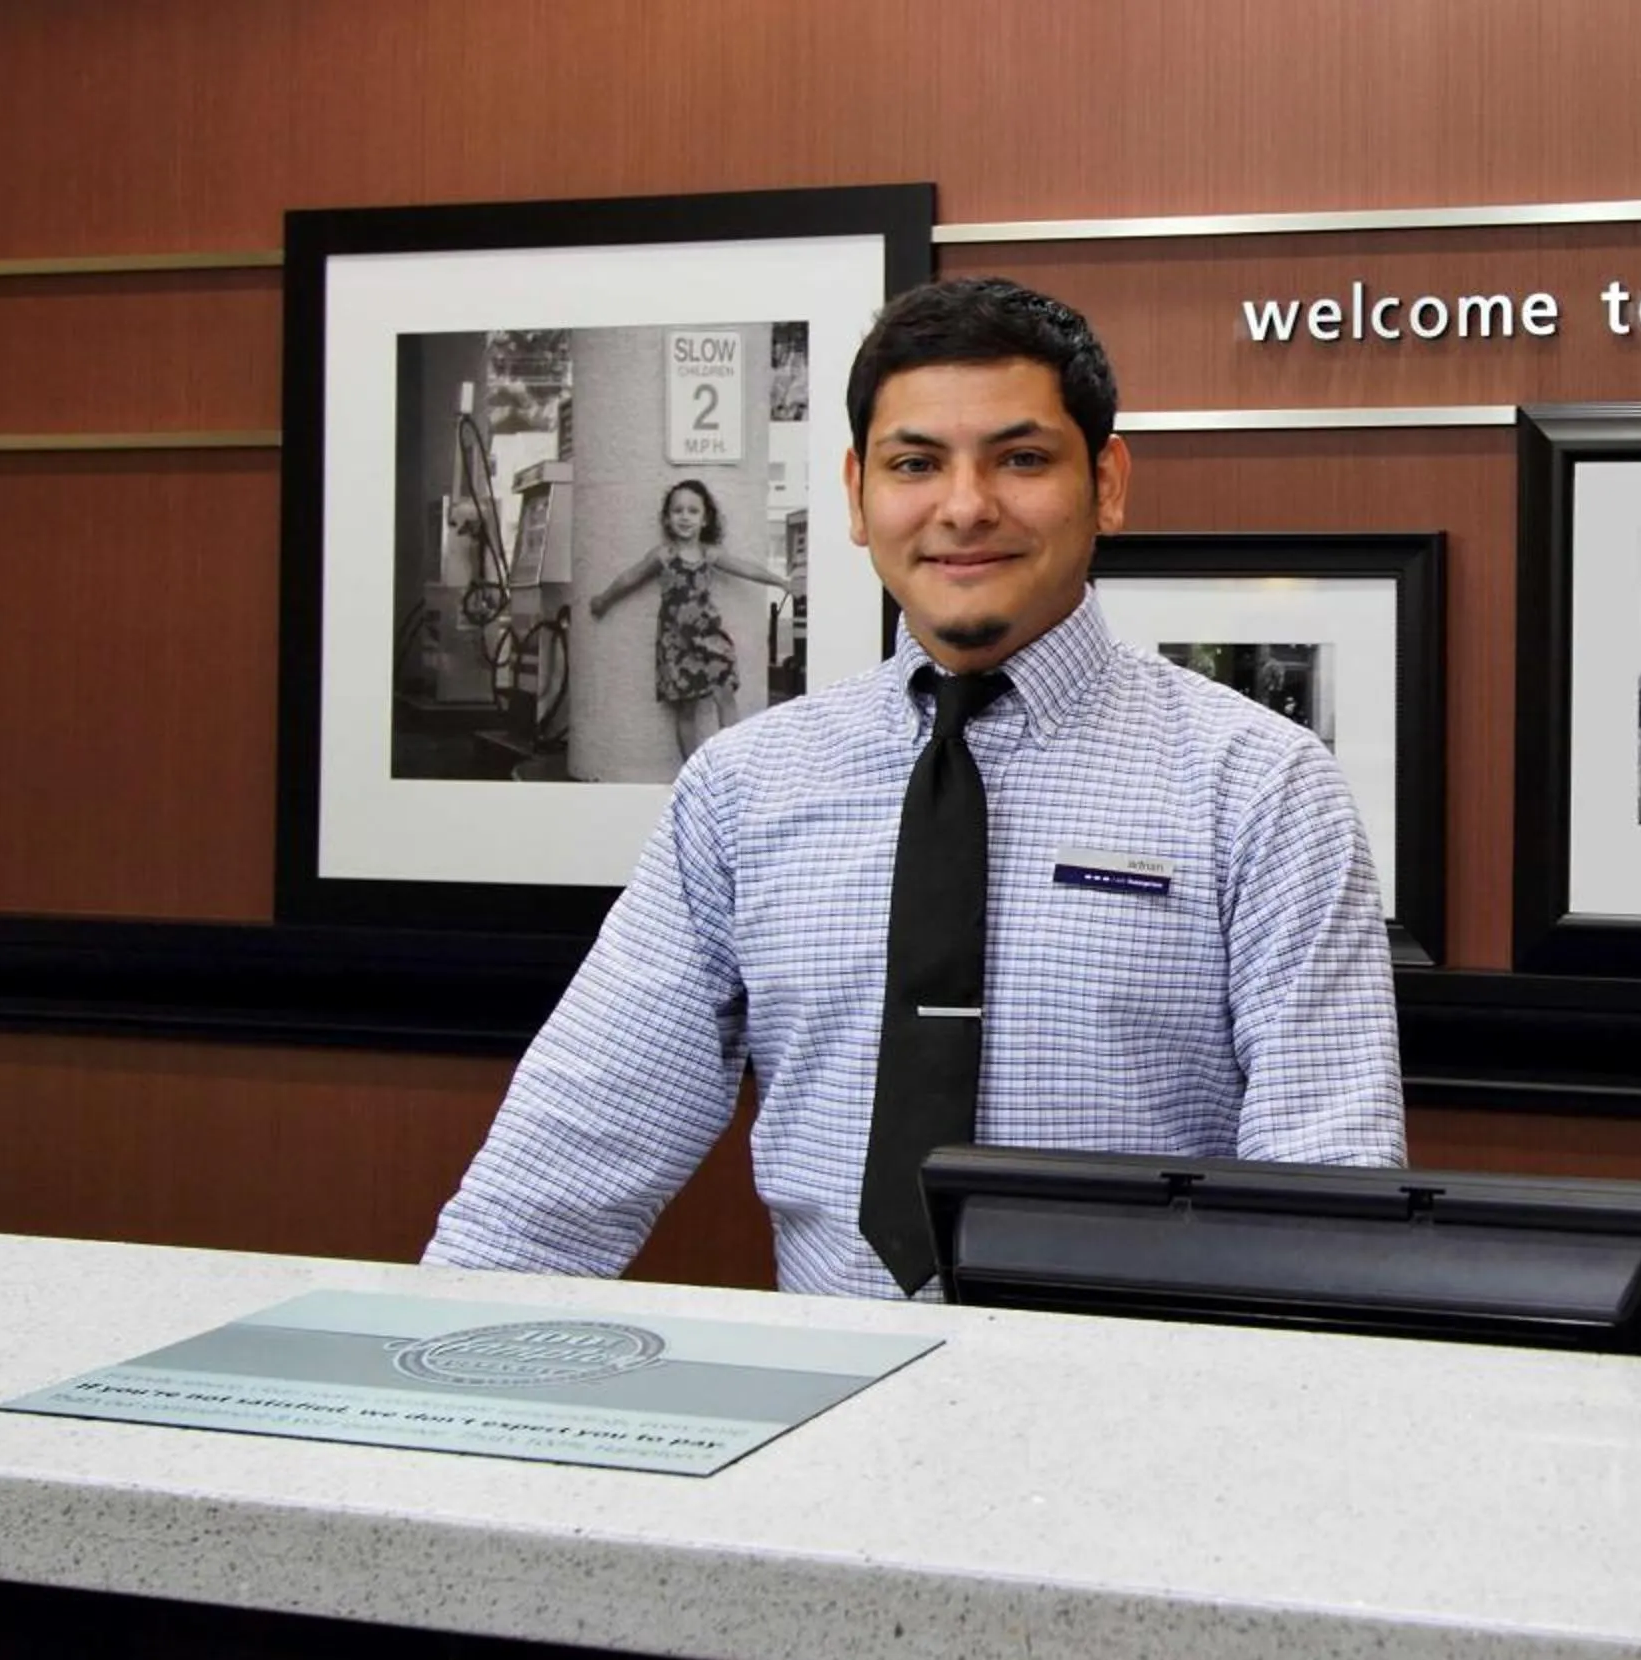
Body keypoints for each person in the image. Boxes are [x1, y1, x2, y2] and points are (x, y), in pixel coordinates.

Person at [426, 279, 1405, 1298]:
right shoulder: (743, 790)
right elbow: (574, 1147)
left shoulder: (1259, 785)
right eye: (914, 464)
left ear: (1106, 483)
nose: (966, 505)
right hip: (831, 1417)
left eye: (1022, 459)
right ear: (857, 494)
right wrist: (425, 1369)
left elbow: (1326, 1186)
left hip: (1139, 1418)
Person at [584, 479, 792, 760]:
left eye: (693, 511)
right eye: (678, 511)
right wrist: (604, 599)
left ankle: (734, 761)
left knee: (725, 693)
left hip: (710, 638)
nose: (685, 517)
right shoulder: (663, 556)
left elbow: (746, 569)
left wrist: (779, 581)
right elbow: (629, 578)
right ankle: (692, 773)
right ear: (668, 519)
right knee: (686, 709)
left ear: (705, 519)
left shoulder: (710, 554)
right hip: (676, 643)